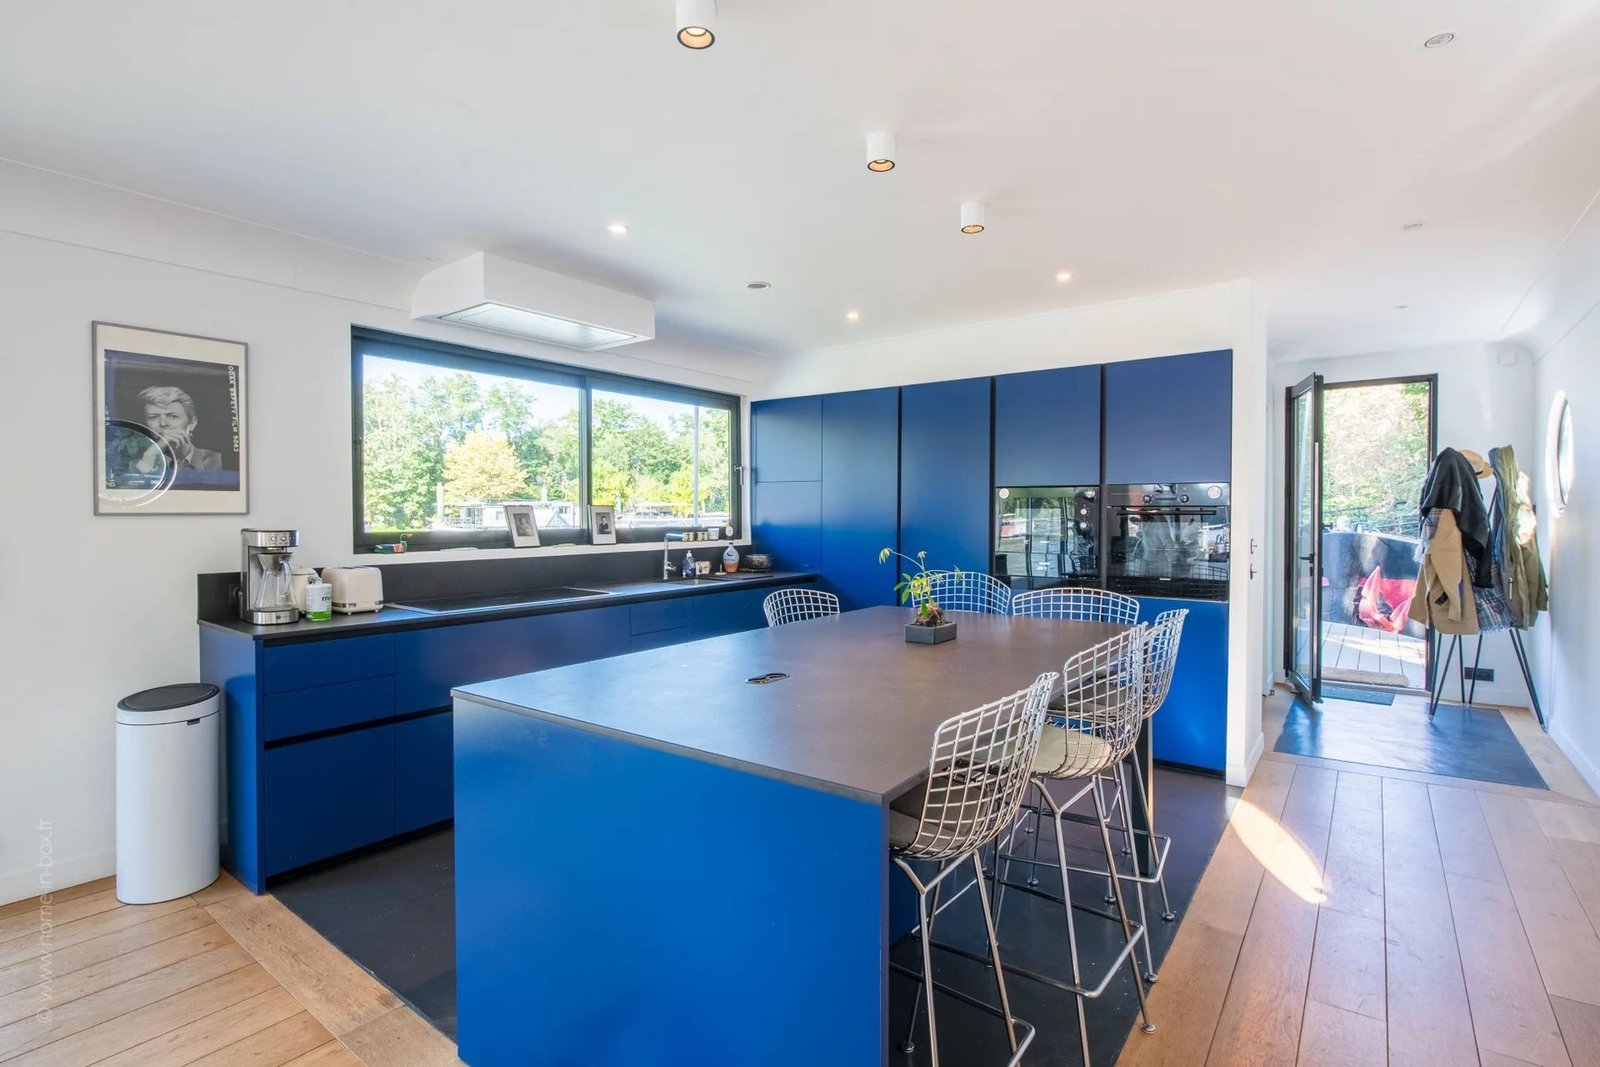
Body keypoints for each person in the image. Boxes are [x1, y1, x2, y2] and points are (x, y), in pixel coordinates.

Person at [135, 386, 223, 475]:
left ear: (192, 423)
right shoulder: (132, 461)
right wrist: (150, 455)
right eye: (153, 417)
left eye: (173, 416)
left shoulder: (219, 461)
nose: (163, 423)